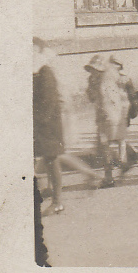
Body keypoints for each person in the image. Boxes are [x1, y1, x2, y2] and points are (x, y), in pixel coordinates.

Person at [34, 38, 102, 215]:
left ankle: (58, 198)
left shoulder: (45, 72)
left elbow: (49, 102)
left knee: (55, 156)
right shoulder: (37, 71)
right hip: (46, 122)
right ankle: (54, 193)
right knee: (52, 157)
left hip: (51, 122)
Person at [85, 55, 132, 187]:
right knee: (111, 143)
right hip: (107, 116)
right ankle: (121, 164)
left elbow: (112, 97)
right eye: (91, 70)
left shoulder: (106, 80)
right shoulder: (95, 81)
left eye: (94, 69)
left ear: (100, 70)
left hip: (109, 116)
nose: (92, 72)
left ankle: (110, 175)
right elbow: (92, 98)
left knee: (106, 145)